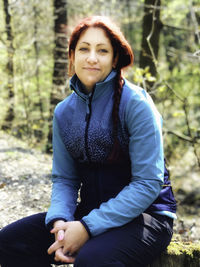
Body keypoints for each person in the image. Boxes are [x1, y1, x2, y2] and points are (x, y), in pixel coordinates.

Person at [0, 16, 176, 267]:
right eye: (84, 49)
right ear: (72, 55)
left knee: (92, 260)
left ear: (115, 59)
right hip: (89, 212)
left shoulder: (137, 105)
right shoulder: (63, 113)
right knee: (10, 242)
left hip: (147, 217)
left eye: (102, 51)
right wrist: (60, 223)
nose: (92, 58)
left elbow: (148, 183)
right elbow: (65, 178)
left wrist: (86, 228)